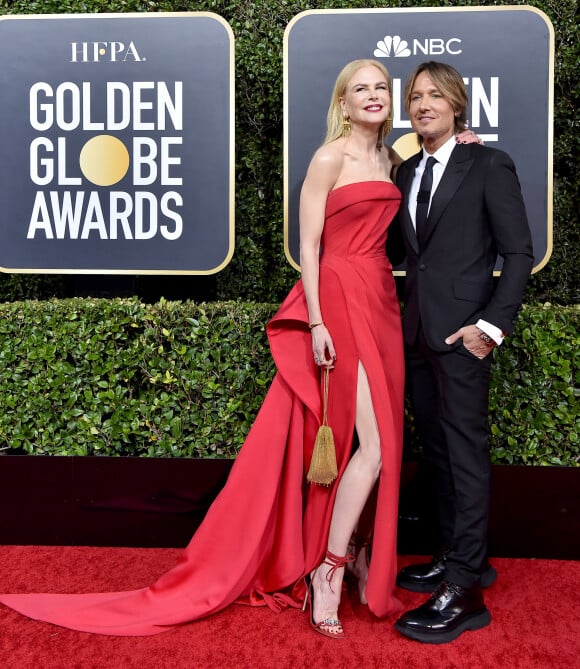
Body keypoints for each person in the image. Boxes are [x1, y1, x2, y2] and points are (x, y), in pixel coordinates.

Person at [0, 59, 406, 639]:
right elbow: (310, 248)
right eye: (360, 89)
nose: (372, 96)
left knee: (375, 441)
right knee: (373, 448)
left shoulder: (392, 161)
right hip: (341, 299)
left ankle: (358, 553)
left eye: (380, 88)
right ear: (342, 104)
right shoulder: (329, 158)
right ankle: (329, 571)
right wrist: (317, 322)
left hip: (384, 302)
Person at [391, 61, 533, 644]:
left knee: (466, 454)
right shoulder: (406, 173)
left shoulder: (487, 162)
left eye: (435, 95)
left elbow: (519, 253)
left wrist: (489, 327)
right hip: (418, 333)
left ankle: (467, 591)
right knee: (440, 453)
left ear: (456, 104)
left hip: (463, 337)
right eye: (416, 96)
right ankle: (456, 557)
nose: (424, 104)